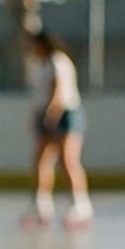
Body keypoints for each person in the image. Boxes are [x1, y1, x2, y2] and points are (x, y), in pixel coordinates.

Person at [22, 29, 92, 230]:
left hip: (65, 113)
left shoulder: (58, 61)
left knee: (67, 160)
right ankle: (41, 205)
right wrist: (38, 115)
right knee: (41, 160)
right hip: (46, 112)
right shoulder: (39, 65)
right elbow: (40, 93)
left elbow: (58, 89)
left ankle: (80, 205)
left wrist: (51, 114)